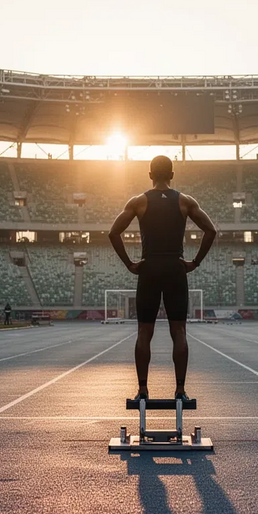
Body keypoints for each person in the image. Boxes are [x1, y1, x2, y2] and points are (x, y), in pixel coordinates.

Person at [109, 155, 216, 401]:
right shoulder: (185, 201)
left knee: (144, 331)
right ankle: (180, 390)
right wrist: (195, 262)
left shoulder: (138, 202)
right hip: (175, 268)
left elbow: (113, 233)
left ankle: (142, 390)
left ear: (150, 175)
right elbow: (210, 230)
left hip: (149, 268)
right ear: (172, 175)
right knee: (178, 331)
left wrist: (129, 264)